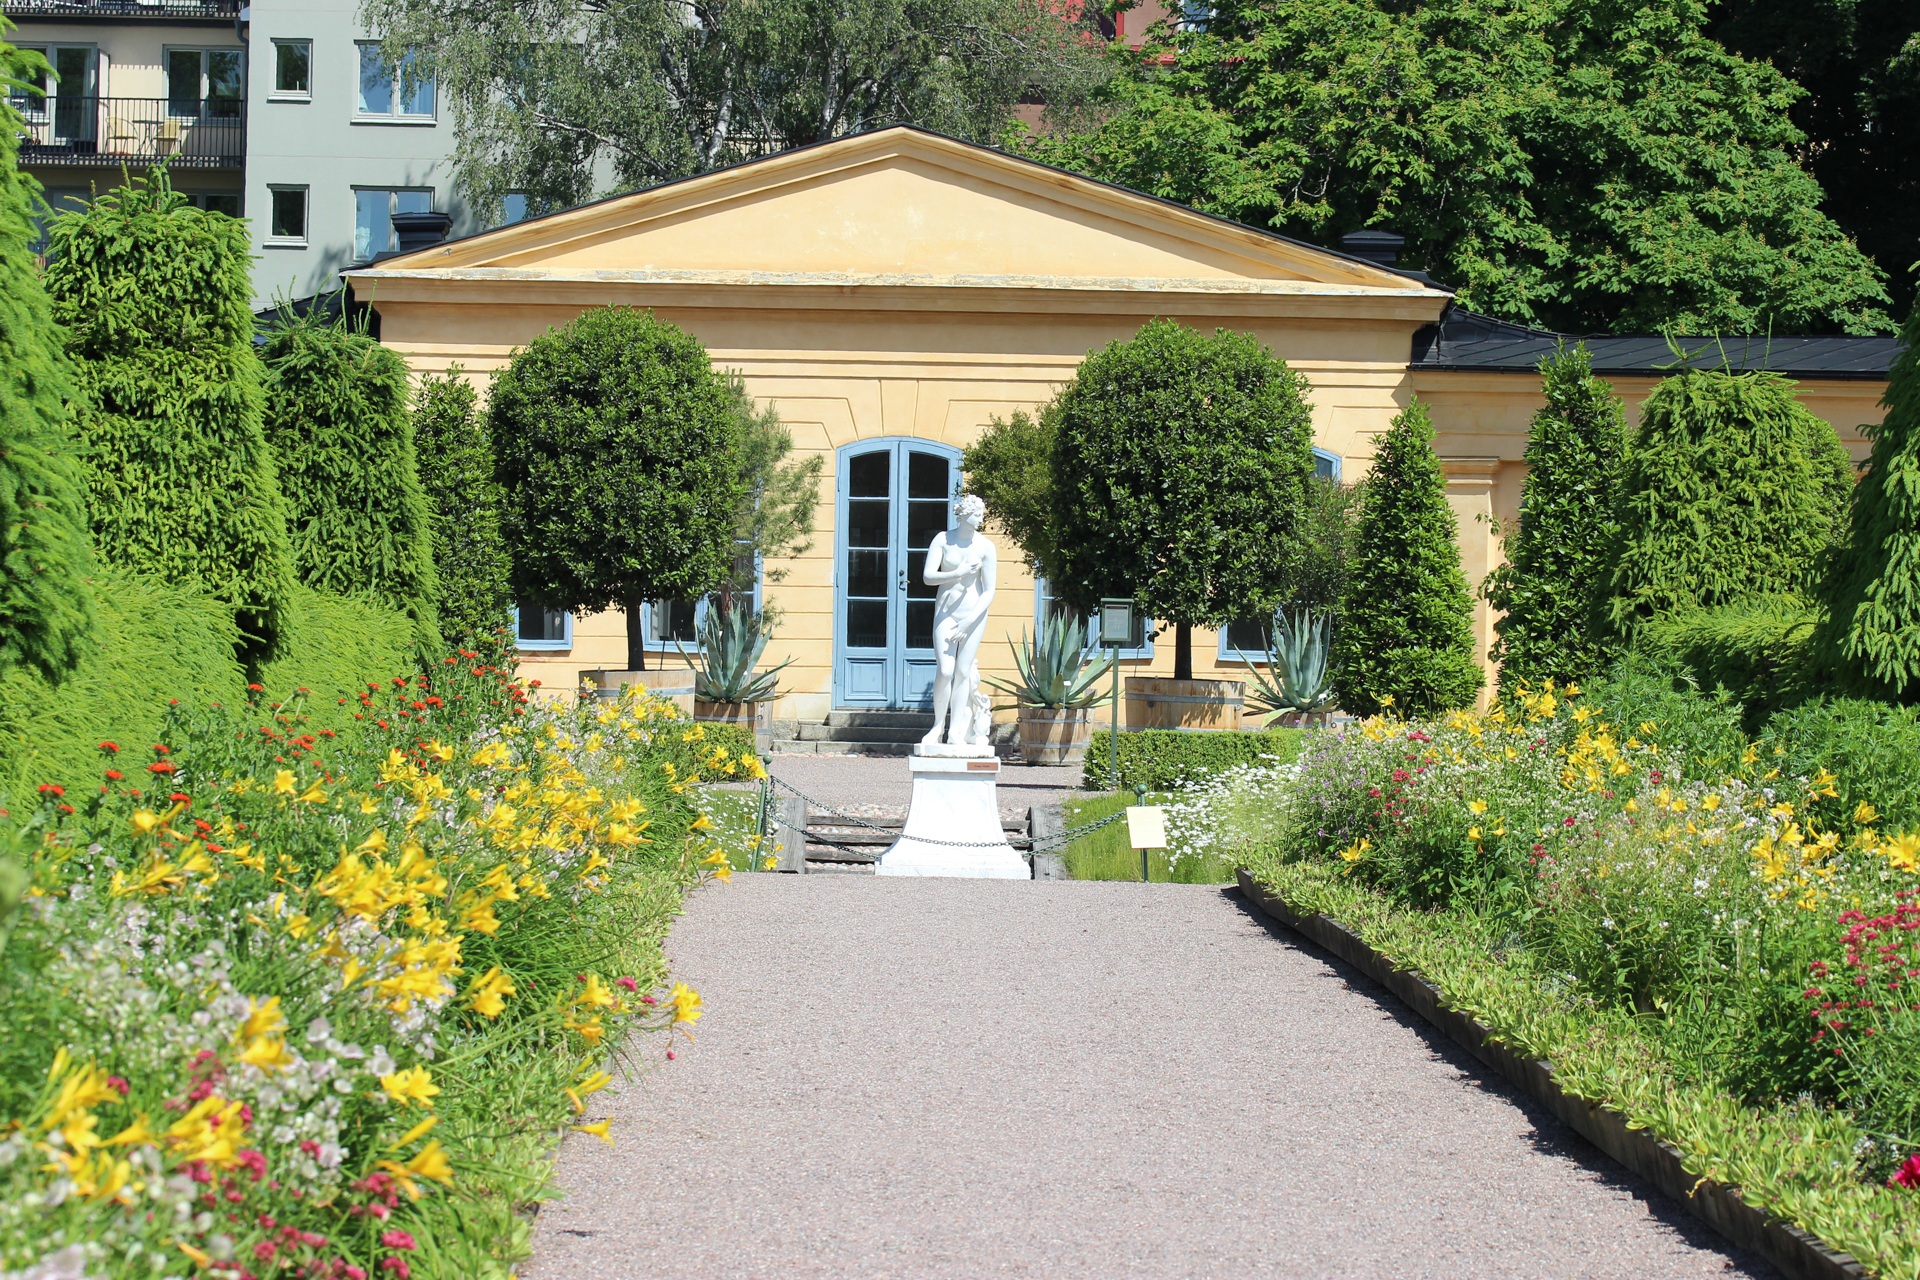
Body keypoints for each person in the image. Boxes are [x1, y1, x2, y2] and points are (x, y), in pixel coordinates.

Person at [919, 494, 997, 747]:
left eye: (982, 514)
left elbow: (989, 591)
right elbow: (928, 577)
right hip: (946, 611)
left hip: (973, 615)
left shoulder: (986, 546)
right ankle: (937, 726)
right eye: (977, 514)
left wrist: (968, 622)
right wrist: (957, 573)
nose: (981, 519)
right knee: (945, 670)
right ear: (964, 516)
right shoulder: (943, 540)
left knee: (963, 671)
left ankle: (955, 731)